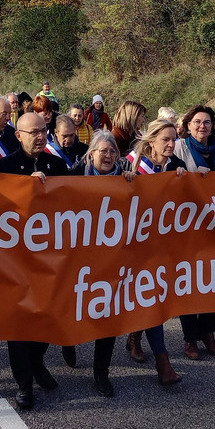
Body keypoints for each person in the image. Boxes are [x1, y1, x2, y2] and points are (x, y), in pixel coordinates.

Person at [0, 112, 74, 410]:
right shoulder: (3, 167)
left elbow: (82, 201)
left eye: (43, 131)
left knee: (47, 318)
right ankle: (24, 383)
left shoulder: (58, 166)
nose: (40, 136)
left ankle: (38, 363)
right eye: (33, 132)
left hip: (51, 260)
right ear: (19, 135)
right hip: (14, 263)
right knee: (19, 326)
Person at [75, 130, 137, 396]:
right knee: (70, 308)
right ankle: (67, 343)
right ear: (91, 154)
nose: (109, 156)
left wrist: (134, 184)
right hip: (77, 259)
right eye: (103, 151)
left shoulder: (126, 179)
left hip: (111, 259)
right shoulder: (72, 177)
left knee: (107, 314)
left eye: (113, 152)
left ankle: (102, 372)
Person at [124, 119, 184, 386]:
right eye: (166, 140)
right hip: (133, 246)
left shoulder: (176, 169)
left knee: (153, 298)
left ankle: (136, 336)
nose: (171, 145)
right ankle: (163, 362)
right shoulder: (131, 165)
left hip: (163, 246)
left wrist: (197, 179)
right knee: (150, 298)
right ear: (151, 142)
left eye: (174, 139)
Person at [171, 104, 215, 360]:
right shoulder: (180, 147)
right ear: (188, 124)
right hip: (188, 225)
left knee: (213, 281)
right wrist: (196, 175)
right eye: (197, 122)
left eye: (206, 122)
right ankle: (190, 338)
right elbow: (174, 178)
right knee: (189, 283)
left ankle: (209, 333)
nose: (201, 126)